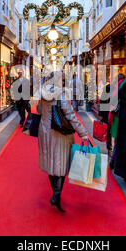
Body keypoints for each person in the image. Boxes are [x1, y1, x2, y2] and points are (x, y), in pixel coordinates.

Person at [37, 72, 89, 212]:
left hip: (45, 131)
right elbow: (71, 116)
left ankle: (55, 194)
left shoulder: (42, 93)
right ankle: (56, 194)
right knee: (61, 163)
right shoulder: (61, 95)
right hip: (60, 133)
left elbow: (38, 110)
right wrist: (83, 133)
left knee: (50, 162)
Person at [99, 73, 126, 158]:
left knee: (110, 130)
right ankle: (113, 148)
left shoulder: (111, 87)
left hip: (110, 112)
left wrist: (101, 114)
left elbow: (102, 101)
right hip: (116, 113)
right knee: (114, 131)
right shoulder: (122, 88)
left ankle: (110, 147)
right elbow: (103, 101)